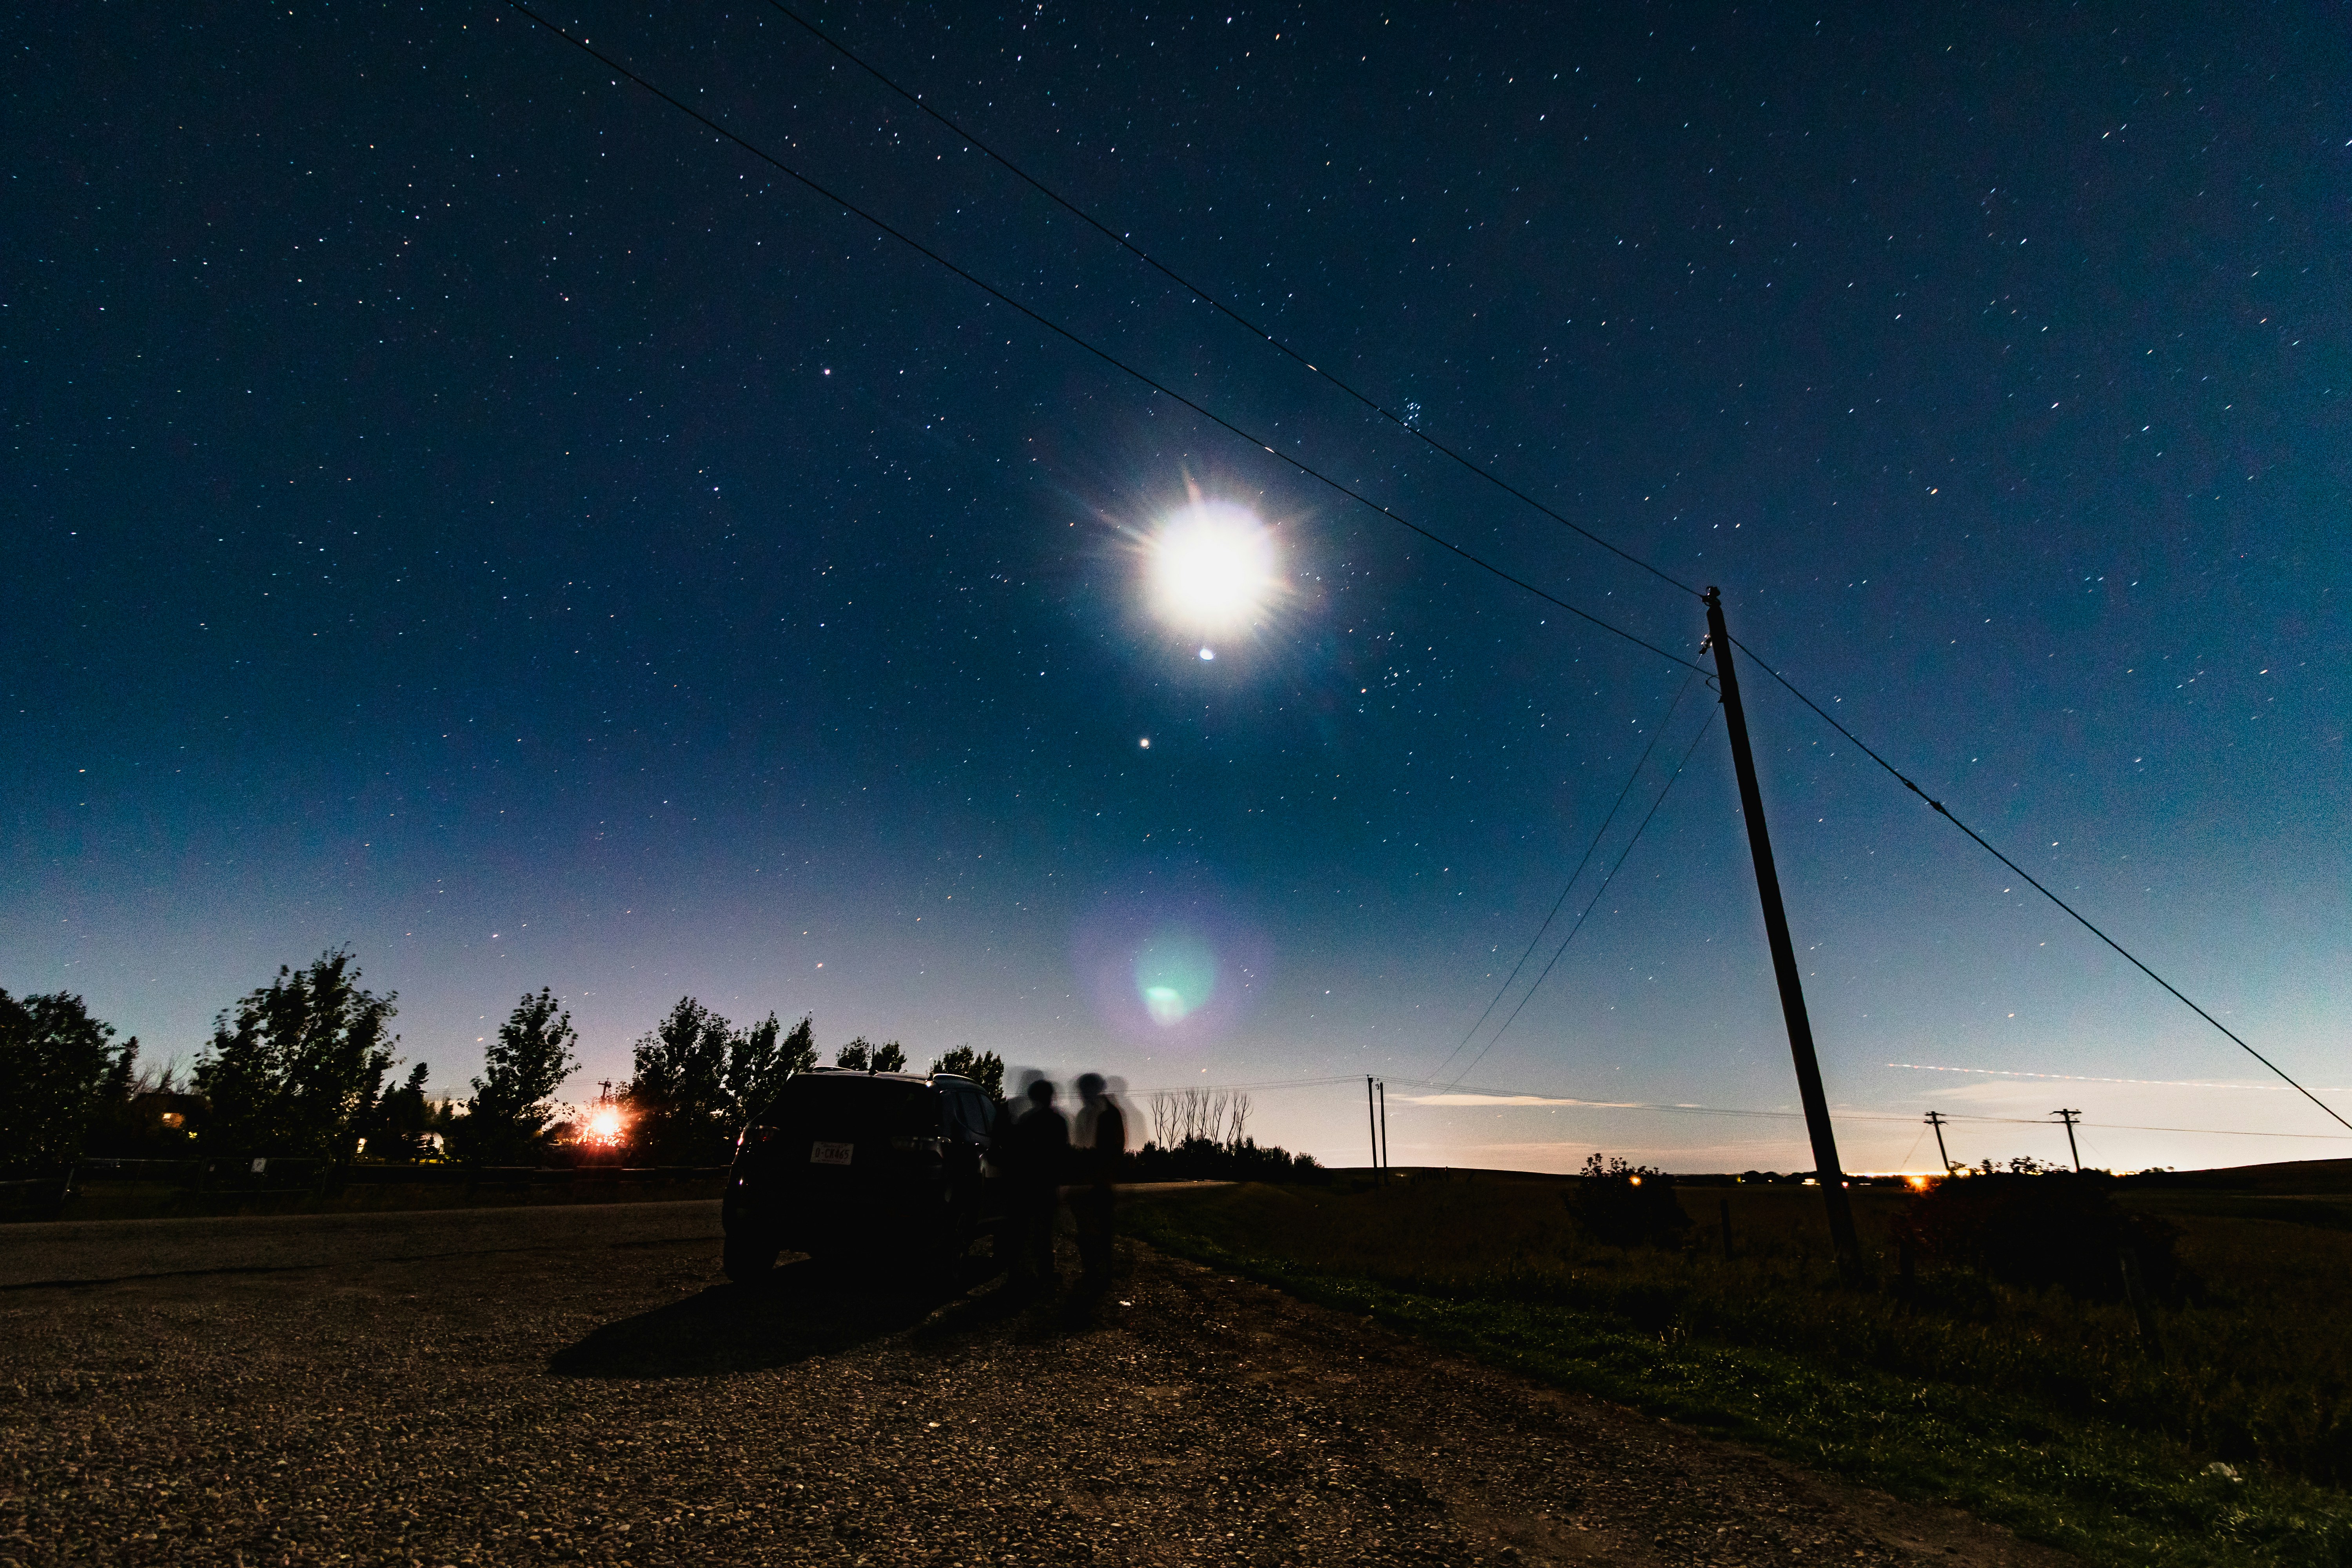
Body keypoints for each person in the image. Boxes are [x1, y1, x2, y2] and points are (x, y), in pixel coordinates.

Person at [996, 1078, 1068, 1288]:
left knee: (1025, 1230)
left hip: (1028, 1183)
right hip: (1045, 1182)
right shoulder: (1057, 1121)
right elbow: (1061, 1154)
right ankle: (1043, 1271)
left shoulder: (1028, 1120)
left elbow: (1017, 1151)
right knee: (1043, 1230)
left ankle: (1021, 1273)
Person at [1071, 1073, 1127, 1283]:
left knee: (1099, 1227)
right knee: (1090, 1227)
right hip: (1089, 1179)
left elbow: (1115, 1147)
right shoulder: (1092, 1113)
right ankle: (1095, 1269)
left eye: (1084, 1090)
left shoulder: (1108, 1114)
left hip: (1100, 1180)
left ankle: (1101, 1270)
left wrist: (1103, 1172)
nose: (1081, 1095)